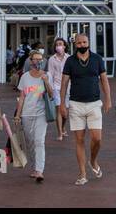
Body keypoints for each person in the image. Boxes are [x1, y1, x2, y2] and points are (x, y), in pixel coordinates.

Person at [59, 32, 110, 186]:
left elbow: (104, 80)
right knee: (79, 140)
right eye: (79, 43)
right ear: (75, 44)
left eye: (84, 42)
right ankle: (82, 173)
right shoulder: (70, 61)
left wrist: (107, 99)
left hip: (94, 103)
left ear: (89, 42)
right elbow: (64, 83)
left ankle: (93, 161)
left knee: (97, 138)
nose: (82, 45)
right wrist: (62, 103)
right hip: (76, 104)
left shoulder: (97, 59)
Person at [13, 48, 55, 183]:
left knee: (39, 141)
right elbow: (22, 97)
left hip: (41, 114)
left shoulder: (47, 75)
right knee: (30, 142)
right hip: (26, 114)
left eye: (40, 59)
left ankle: (39, 170)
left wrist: (46, 81)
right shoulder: (25, 77)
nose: (38, 61)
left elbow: (51, 94)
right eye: (35, 59)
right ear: (30, 61)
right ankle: (34, 166)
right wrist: (17, 115)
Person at [46, 36, 69, 141]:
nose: (59, 46)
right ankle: (60, 132)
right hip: (56, 87)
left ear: (64, 46)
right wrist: (50, 88)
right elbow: (50, 74)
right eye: (57, 44)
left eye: (61, 44)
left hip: (68, 87)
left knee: (65, 113)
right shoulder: (52, 59)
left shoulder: (69, 58)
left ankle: (63, 126)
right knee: (59, 109)